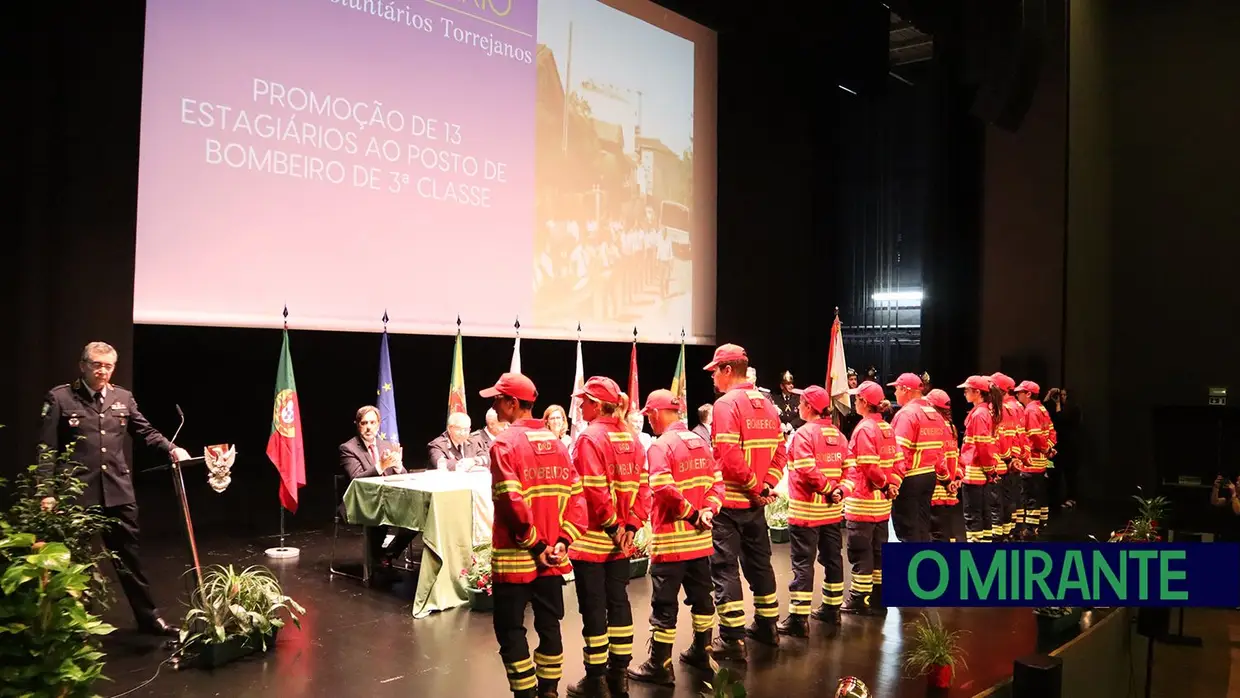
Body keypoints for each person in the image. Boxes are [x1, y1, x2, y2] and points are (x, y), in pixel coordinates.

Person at [37, 341, 190, 637]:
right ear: (83, 366)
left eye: (108, 366)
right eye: (96, 365)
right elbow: (46, 449)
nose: (102, 371)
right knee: (77, 562)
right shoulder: (61, 398)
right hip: (77, 494)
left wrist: (172, 449)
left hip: (118, 492)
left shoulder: (122, 397)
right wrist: (46, 491)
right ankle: (76, 625)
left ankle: (149, 618)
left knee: (129, 559)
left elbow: (144, 431)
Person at [484, 372, 587, 698]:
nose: (494, 403)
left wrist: (536, 544)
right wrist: (562, 542)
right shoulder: (557, 444)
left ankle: (526, 694)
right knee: (549, 624)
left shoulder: (504, 444)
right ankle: (549, 692)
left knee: (511, 629)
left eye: (498, 398)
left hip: (518, 560)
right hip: (552, 559)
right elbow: (577, 498)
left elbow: (510, 501)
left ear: (513, 403)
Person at [628, 389, 724, 687]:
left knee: (664, 605)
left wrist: (692, 514)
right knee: (702, 598)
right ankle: (701, 650)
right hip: (700, 542)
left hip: (672, 542)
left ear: (657, 413)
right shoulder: (701, 442)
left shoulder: (660, 446)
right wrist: (707, 511)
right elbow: (717, 484)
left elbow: (664, 489)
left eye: (649, 416)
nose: (649, 423)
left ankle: (660, 664)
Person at [564, 377, 650, 698]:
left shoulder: (590, 438)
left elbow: (594, 489)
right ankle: (620, 675)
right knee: (619, 602)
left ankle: (596, 680)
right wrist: (630, 527)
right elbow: (644, 488)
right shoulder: (633, 438)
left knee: (594, 607)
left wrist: (614, 527)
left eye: (584, 401)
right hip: (623, 541)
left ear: (598, 405)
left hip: (593, 540)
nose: (580, 406)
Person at [704, 343, 787, 658]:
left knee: (725, 568)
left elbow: (727, 456)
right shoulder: (767, 403)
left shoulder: (726, 404)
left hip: (730, 503)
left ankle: (732, 639)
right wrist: (765, 486)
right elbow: (781, 451)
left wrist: (754, 485)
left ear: (728, 370)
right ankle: (768, 627)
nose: (713, 378)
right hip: (756, 504)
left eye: (715, 372)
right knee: (759, 565)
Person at [776, 385, 852, 637]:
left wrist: (830, 489)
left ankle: (799, 619)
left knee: (803, 565)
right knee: (833, 559)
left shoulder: (803, 435)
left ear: (809, 407)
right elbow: (851, 470)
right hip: (832, 513)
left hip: (806, 513)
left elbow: (807, 470)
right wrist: (840, 490)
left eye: (801, 403)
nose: (797, 407)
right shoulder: (839, 436)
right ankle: (832, 610)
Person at [841, 380, 901, 615]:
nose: (855, 402)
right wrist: (892, 485)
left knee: (860, 551)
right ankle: (878, 597)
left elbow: (867, 465)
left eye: (857, 399)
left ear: (864, 403)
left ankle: (858, 598)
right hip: (882, 506)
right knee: (878, 551)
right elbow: (899, 462)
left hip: (863, 503)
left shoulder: (865, 428)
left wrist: (885, 484)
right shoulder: (887, 428)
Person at [339, 405, 416, 568]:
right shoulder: (348, 448)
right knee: (379, 516)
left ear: (378, 424)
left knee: (417, 514)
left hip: (387, 501)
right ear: (358, 424)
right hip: (360, 503)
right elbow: (356, 479)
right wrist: (380, 466)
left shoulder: (386, 445)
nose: (368, 427)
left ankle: (388, 555)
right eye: (364, 423)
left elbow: (403, 475)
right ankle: (375, 563)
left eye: (372, 422)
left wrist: (397, 466)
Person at [888, 373, 948, 543]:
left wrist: (894, 481)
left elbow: (900, 452)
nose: (895, 394)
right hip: (929, 477)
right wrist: (945, 476)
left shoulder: (907, 414)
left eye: (896, 389)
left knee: (907, 530)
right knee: (922, 528)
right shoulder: (934, 414)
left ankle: (909, 567)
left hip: (910, 478)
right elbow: (940, 450)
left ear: (905, 390)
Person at [957, 376, 1001, 543]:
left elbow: (982, 445)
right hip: (979, 470)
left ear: (977, 392)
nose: (964, 393)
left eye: (967, 390)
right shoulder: (983, 412)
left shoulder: (979, 414)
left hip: (974, 471)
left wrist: (989, 468)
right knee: (983, 513)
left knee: (973, 514)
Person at [1015, 381, 1056, 538]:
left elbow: (1034, 434)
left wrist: (1045, 448)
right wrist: (1049, 449)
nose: (1017, 395)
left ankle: (1031, 529)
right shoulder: (1042, 409)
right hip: (1041, 461)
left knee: (1030, 495)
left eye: (1020, 392)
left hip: (1031, 460)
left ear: (1028, 394)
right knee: (1040, 495)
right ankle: (1041, 525)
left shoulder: (1031, 410)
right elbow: (1052, 432)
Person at [990, 373, 1028, 541]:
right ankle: (1013, 530)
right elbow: (1022, 435)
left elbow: (1001, 437)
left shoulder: (1001, 409)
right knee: (1013, 498)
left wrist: (1007, 457)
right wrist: (1019, 456)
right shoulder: (1017, 407)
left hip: (1002, 462)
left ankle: (1002, 535)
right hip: (1014, 460)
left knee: (1001, 502)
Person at [926, 389, 967, 543]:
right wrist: (957, 477)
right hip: (950, 489)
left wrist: (947, 480)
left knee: (937, 533)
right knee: (948, 531)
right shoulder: (952, 427)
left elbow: (938, 459)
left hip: (939, 487)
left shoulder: (936, 428)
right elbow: (956, 456)